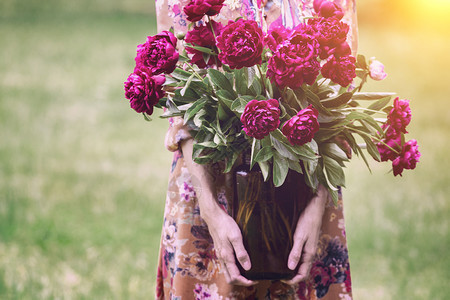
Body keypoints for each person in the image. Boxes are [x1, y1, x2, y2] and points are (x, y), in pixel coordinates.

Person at [155, 0, 357, 298]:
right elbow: (178, 101)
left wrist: (317, 205)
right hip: (209, 194)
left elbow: (343, 95)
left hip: (308, 194)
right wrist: (211, 211)